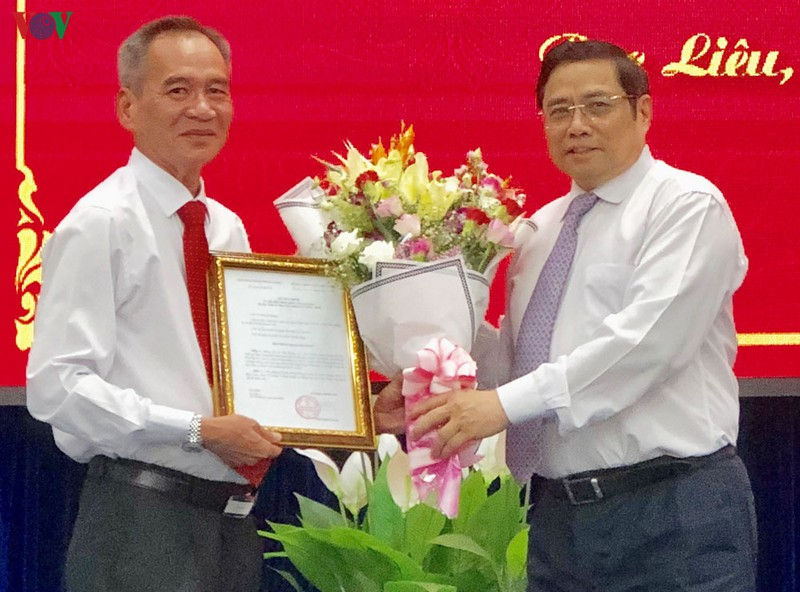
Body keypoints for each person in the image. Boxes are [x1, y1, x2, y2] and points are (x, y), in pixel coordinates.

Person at [376, 40, 757, 591]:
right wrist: (429, 376)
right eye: (558, 111)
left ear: (643, 111)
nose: (576, 125)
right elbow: (518, 362)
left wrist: (500, 405)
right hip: (555, 519)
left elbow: (644, 344)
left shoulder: (685, 205)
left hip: (671, 513)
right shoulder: (537, 230)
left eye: (597, 105)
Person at [26, 16, 283, 592]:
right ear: (127, 107)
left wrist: (361, 411)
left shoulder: (225, 228)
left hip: (231, 519)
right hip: (140, 521)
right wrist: (196, 430)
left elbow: (255, 372)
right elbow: (57, 387)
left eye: (217, 90)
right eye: (178, 90)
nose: (202, 108)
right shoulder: (100, 223)